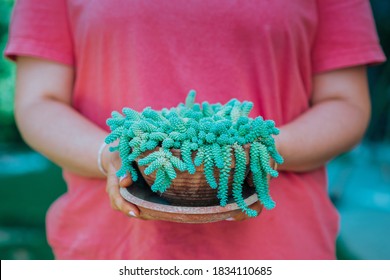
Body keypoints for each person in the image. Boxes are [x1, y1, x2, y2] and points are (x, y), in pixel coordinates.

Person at [5, 0, 385, 259]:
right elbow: (40, 101)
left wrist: (255, 148)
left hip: (279, 246)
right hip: (114, 246)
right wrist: (114, 156)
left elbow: (345, 103)